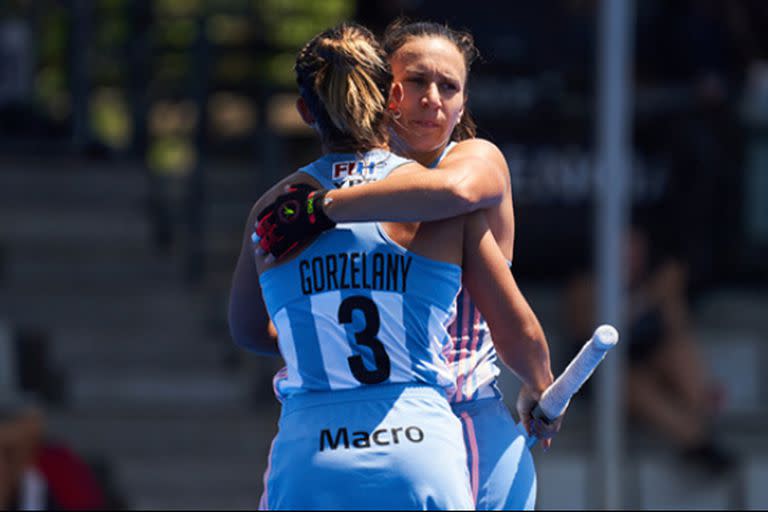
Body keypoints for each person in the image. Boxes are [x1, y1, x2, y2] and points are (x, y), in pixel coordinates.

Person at [229, 22, 557, 510]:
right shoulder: (428, 204)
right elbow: (522, 332)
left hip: (461, 415)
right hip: (421, 429)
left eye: (449, 86)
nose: (433, 99)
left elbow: (452, 191)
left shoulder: (469, 162)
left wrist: (323, 207)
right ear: (389, 92)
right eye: (420, 82)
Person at [563, 225, 735, 475]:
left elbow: (676, 330)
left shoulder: (658, 280)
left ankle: (703, 407)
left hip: (651, 362)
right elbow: (589, 334)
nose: (630, 256)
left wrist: (669, 296)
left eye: (635, 248)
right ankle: (696, 438)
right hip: (601, 375)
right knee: (630, 383)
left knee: (677, 352)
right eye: (624, 249)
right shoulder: (585, 284)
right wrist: (642, 300)